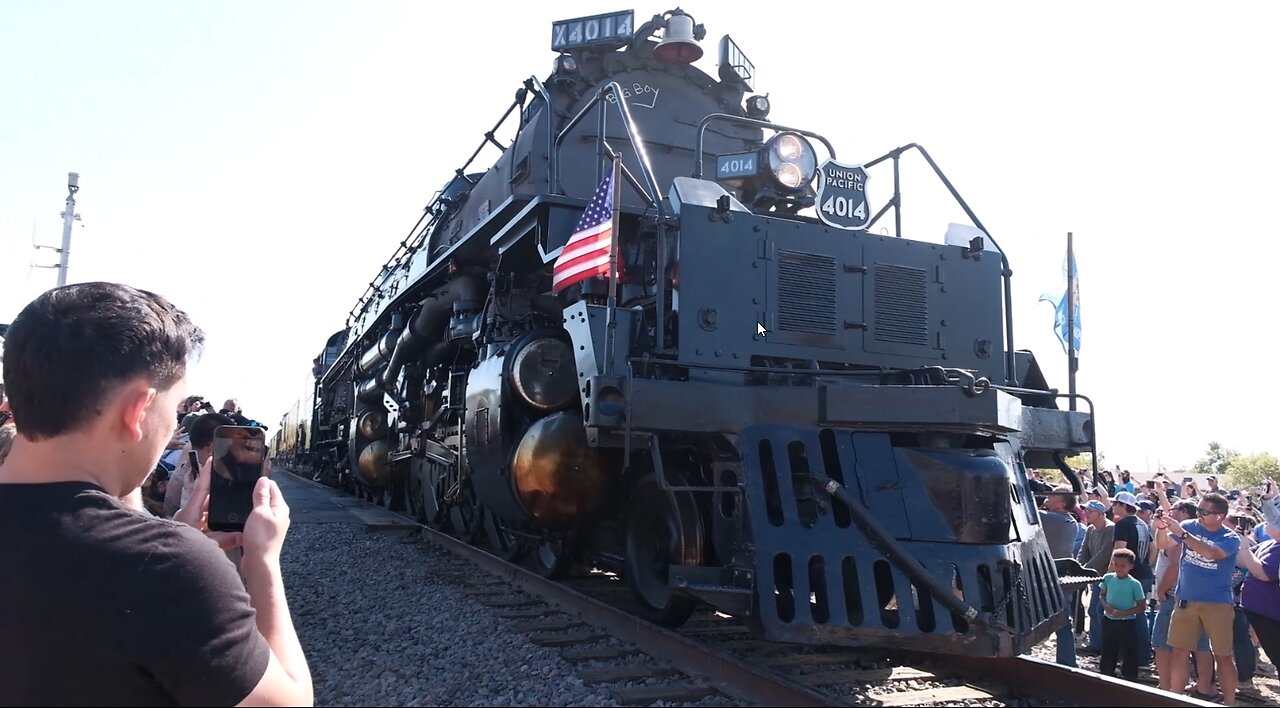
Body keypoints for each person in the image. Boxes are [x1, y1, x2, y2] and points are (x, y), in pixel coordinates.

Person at [0, 282, 312, 706]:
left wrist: (171, 534)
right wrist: (262, 562)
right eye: (174, 408)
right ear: (138, 411)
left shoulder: (162, 558)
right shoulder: (165, 567)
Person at [1157, 492, 1242, 705]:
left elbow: (1212, 553)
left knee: (1222, 656)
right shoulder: (1190, 525)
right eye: (1199, 510)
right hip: (1186, 600)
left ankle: (1230, 702)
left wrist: (1184, 535)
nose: (1199, 515)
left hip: (1218, 604)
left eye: (1205, 511)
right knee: (1179, 652)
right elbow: (1163, 545)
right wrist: (1161, 529)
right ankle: (1175, 698)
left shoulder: (1230, 538)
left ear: (1220, 516)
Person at [1111, 491, 1154, 664]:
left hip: (1129, 576)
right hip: (1144, 574)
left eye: (1116, 503)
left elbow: (1119, 551)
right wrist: (1145, 564)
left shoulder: (1122, 524)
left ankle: (1127, 656)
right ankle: (1141, 656)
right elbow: (1154, 547)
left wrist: (1111, 574)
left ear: (1123, 506)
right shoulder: (1142, 524)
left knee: (1123, 615)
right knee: (1138, 615)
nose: (1113, 506)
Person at [1099, 548, 1147, 679]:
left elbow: (1141, 606)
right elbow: (1101, 595)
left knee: (1129, 649)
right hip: (1109, 618)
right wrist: (1106, 606)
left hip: (1127, 621)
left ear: (1131, 566)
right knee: (1108, 646)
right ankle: (1106, 671)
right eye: (1116, 565)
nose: (1119, 568)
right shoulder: (1107, 578)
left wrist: (1124, 612)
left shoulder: (1134, 584)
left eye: (1123, 566)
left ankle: (1129, 675)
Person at [1077, 499, 1115, 656]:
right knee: (1094, 610)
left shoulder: (1111, 529)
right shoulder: (1090, 529)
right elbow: (1083, 551)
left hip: (1107, 577)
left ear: (1100, 513)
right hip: (1095, 577)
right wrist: (1078, 567)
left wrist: (1085, 569)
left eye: (1090, 511)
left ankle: (1104, 645)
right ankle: (1097, 643)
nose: (1086, 514)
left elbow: (1105, 553)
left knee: (1099, 610)